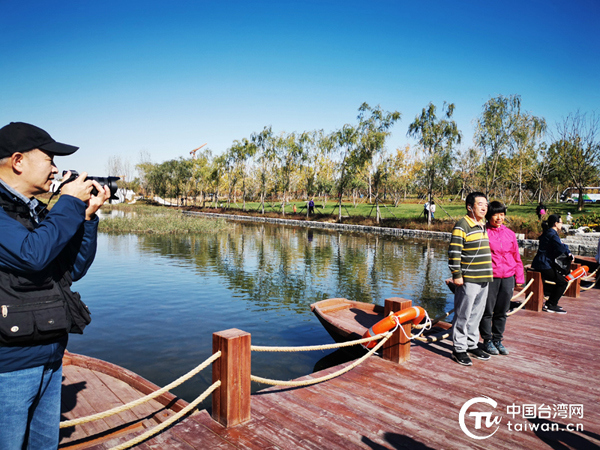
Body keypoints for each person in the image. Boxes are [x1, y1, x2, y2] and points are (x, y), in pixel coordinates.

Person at [0, 122, 110, 449]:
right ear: (18, 161)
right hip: (9, 370)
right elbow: (32, 255)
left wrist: (87, 218)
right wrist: (70, 203)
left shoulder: (33, 213)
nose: (56, 169)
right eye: (49, 159)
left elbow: (71, 270)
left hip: (49, 358)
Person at [448, 192, 494, 366]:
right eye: (480, 204)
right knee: (463, 314)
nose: (484, 207)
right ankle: (459, 348)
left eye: (486, 204)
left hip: (484, 277)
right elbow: (454, 252)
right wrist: (456, 275)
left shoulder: (481, 225)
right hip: (469, 278)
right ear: (470, 207)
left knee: (477, 313)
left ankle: (471, 344)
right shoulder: (462, 225)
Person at [479, 201, 524, 356]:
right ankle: (487, 340)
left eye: (502, 214)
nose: (499, 218)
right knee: (487, 310)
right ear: (489, 215)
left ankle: (498, 339)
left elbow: (516, 256)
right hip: (490, 277)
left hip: (508, 276)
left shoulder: (510, 233)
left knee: (502, 310)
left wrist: (519, 277)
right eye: (496, 214)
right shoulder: (483, 232)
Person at [531, 214, 571, 314]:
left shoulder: (549, 232)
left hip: (543, 263)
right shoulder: (552, 234)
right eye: (561, 222)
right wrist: (568, 251)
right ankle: (551, 304)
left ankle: (551, 302)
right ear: (556, 223)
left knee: (560, 279)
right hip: (543, 264)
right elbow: (561, 248)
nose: (562, 224)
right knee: (562, 282)